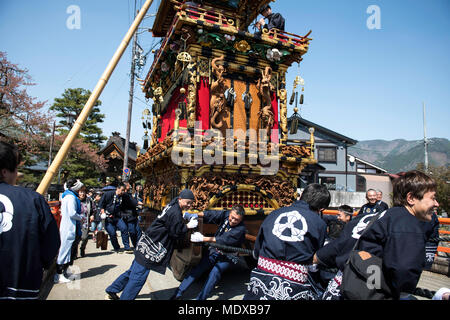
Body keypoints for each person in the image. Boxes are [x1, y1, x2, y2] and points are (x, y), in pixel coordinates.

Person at [316, 170, 440, 300]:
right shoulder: (407, 222)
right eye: (432, 198)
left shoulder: (388, 214)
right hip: (367, 292)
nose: (436, 204)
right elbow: (403, 270)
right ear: (411, 198)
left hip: (344, 286)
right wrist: (403, 290)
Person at [105, 189, 199, 300]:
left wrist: (183, 217)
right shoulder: (175, 212)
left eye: (191, 203)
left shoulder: (173, 205)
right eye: (187, 202)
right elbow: (176, 232)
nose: (189, 205)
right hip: (152, 247)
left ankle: (112, 290)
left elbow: (172, 221)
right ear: (180, 199)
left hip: (146, 242)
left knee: (133, 271)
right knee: (138, 278)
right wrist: (188, 226)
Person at [244, 183, 330, 300]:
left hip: (261, 279)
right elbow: (314, 261)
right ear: (322, 209)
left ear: (301, 197)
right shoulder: (320, 224)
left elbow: (258, 249)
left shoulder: (274, 213)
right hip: (294, 285)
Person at [0, 141, 60, 299]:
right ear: (5, 172)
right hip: (19, 284)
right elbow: (51, 243)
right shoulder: (33, 200)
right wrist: (40, 263)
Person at [171, 205, 247, 300]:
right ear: (230, 213)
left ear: (241, 220)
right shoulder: (226, 215)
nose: (232, 221)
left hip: (228, 255)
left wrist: (202, 238)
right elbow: (211, 214)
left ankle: (201, 298)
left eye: (236, 220)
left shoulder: (241, 229)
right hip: (215, 250)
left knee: (215, 273)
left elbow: (223, 240)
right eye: (232, 217)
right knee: (198, 269)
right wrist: (194, 215)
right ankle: (178, 293)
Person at [55, 178, 85, 283]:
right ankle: (58, 274)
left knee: (67, 250)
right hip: (69, 227)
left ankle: (63, 272)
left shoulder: (68, 196)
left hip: (69, 226)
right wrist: (81, 217)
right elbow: (72, 213)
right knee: (64, 251)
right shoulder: (71, 197)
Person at [98, 182, 131, 253]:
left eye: (124, 190)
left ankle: (127, 247)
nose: (122, 192)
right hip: (107, 217)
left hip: (117, 217)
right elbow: (101, 204)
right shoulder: (108, 194)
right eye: (122, 190)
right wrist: (103, 212)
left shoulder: (123, 196)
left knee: (124, 229)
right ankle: (117, 248)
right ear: (118, 189)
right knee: (112, 233)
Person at [78, 186, 95, 257]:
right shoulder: (75, 199)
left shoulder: (89, 200)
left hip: (85, 221)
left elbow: (93, 209)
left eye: (83, 192)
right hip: (76, 221)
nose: (82, 194)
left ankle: (82, 248)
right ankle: (74, 253)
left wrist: (92, 215)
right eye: (81, 192)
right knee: (76, 239)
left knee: (84, 237)